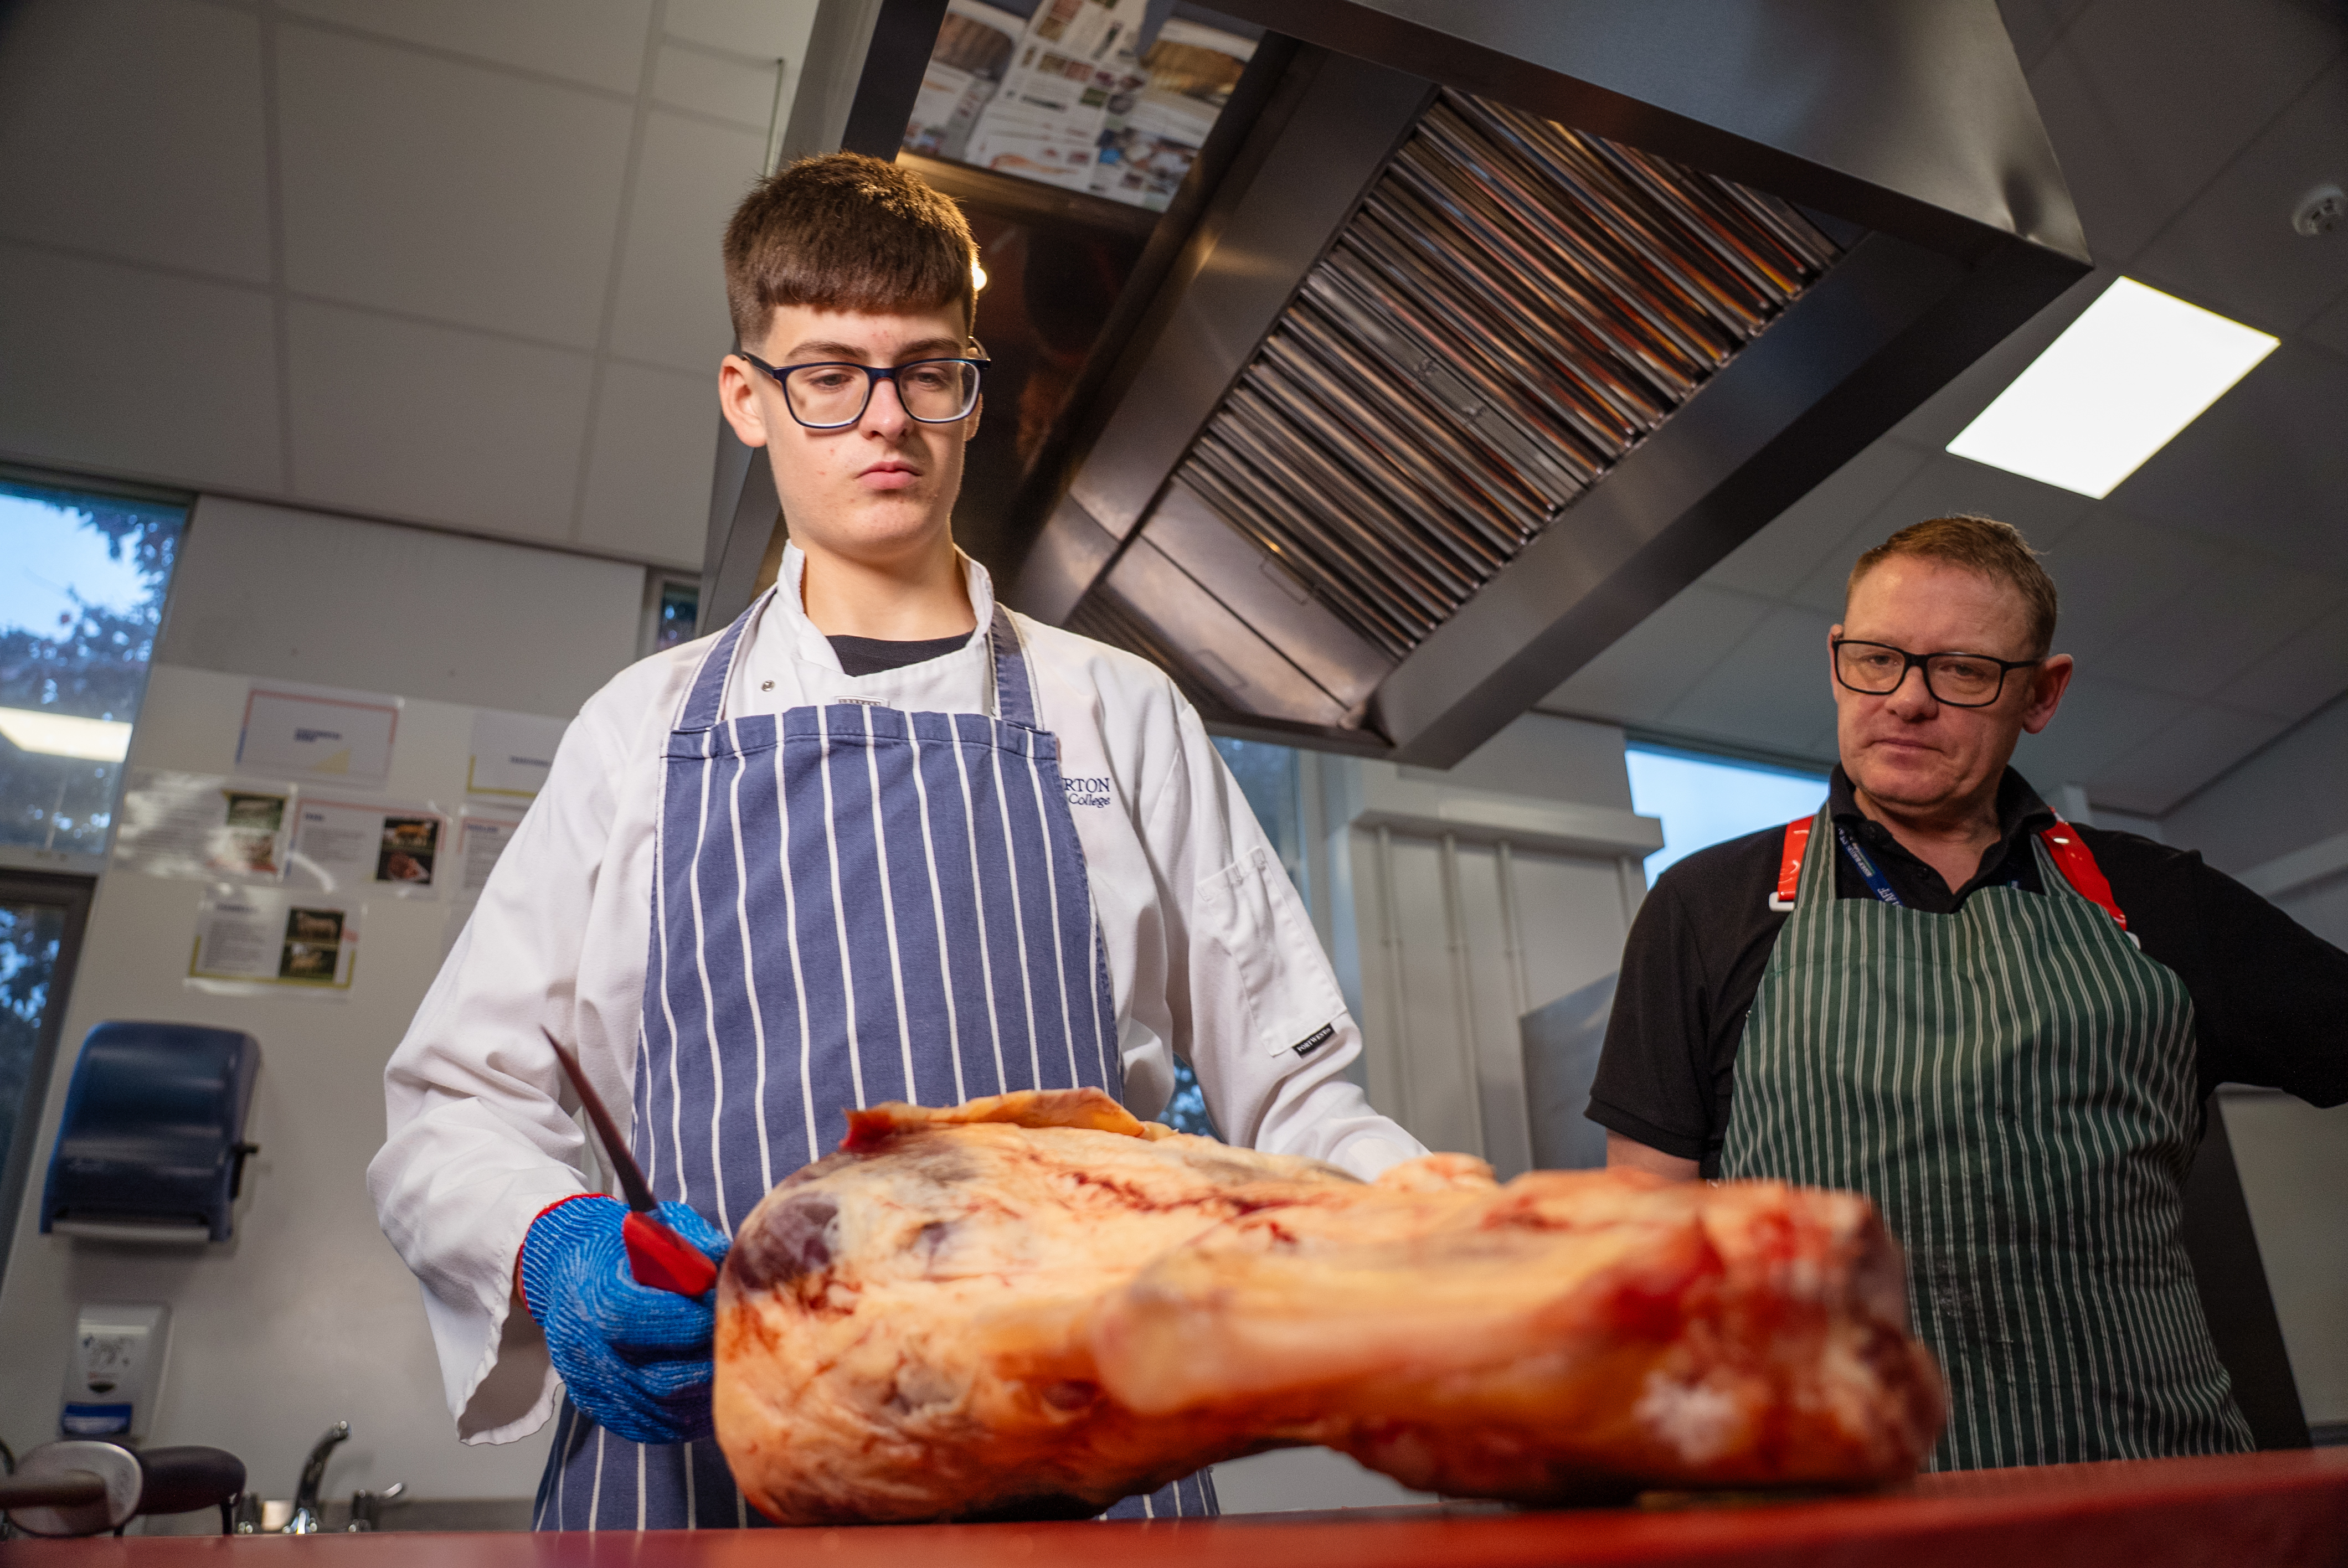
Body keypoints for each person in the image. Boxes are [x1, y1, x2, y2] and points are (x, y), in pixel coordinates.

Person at [368, 153, 1424, 1530]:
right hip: (704, 1472)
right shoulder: (642, 729)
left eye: (927, 372)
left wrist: (1457, 1240)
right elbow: (459, 1104)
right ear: (749, 399)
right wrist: (557, 1248)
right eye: (828, 372)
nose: (886, 419)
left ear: (971, 391)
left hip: (1074, 1464)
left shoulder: (1119, 712)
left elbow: (1295, 1104)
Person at [1590, 513, 2348, 1473]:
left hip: (2149, 1493)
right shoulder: (1710, 906)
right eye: (1877, 660)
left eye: (1962, 672)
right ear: (1837, 661)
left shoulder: (2159, 899)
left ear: (2041, 693)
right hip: (1830, 1506)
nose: (1907, 701)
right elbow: (1643, 1234)